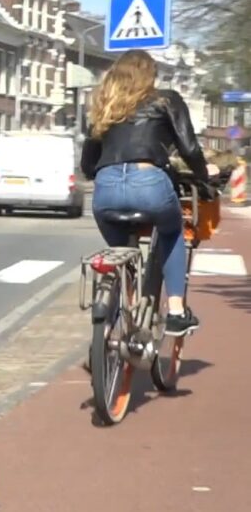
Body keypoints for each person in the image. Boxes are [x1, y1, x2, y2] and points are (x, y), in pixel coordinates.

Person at [81, 49, 218, 336]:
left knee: (121, 251)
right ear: (150, 74)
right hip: (149, 183)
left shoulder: (103, 105)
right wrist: (205, 177)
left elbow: (87, 164)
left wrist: (110, 175)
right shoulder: (166, 100)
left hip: (105, 189)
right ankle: (178, 313)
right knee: (172, 231)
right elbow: (189, 148)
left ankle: (115, 322)